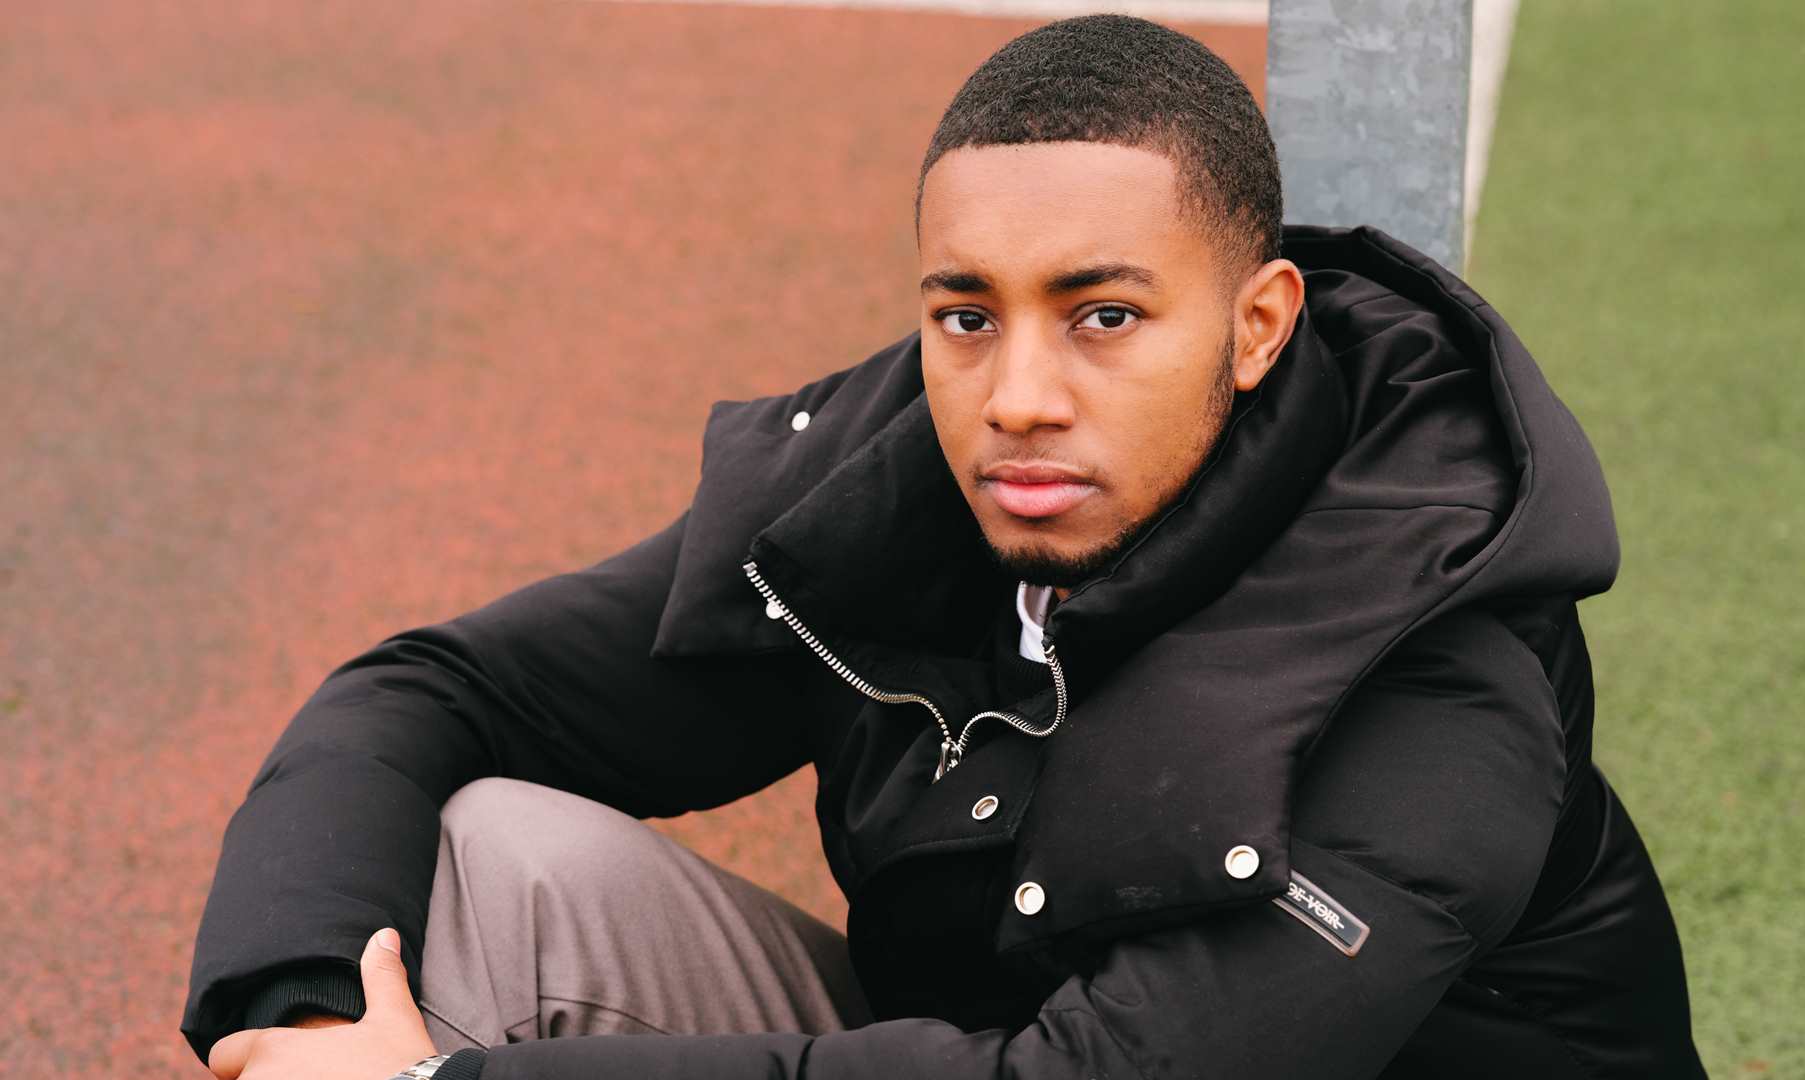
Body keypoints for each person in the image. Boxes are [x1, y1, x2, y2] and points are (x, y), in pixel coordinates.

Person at [184, 15, 1706, 1080]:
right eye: (967, 315)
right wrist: (311, 1020)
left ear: (1256, 328)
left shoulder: (1434, 682)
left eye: (1104, 315)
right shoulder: (904, 501)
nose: (1019, 397)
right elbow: (426, 693)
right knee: (493, 855)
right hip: (977, 1049)